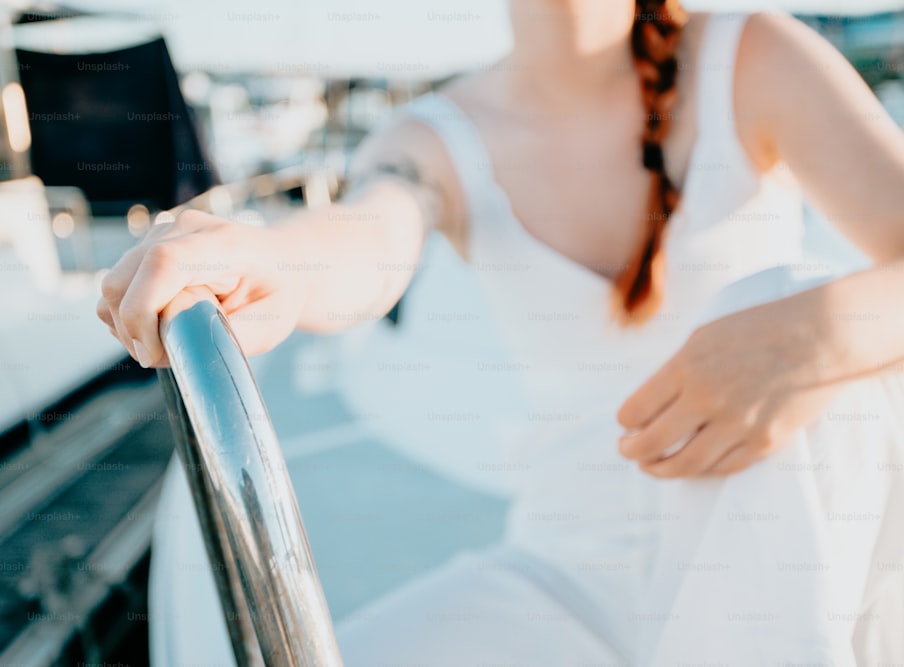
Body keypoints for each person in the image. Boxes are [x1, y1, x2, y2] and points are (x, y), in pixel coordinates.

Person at [98, 1, 904, 664]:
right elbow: (372, 239)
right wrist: (269, 258)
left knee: (785, 290)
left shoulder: (752, 57)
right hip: (570, 570)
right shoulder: (438, 135)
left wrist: (815, 329)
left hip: (764, 556)